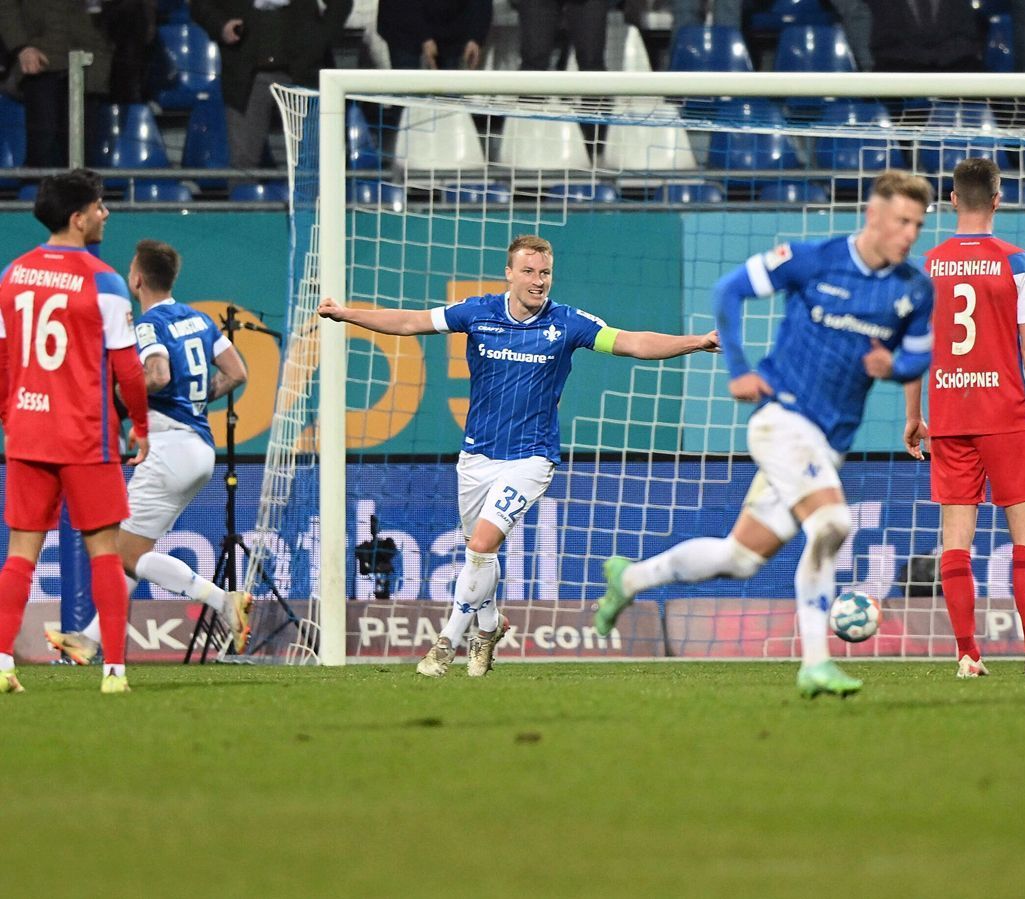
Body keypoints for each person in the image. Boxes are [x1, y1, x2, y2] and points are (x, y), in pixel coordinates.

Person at [593, 170, 936, 698]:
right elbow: (728, 291)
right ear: (873, 213)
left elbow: (921, 356)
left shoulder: (913, 290)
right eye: (902, 221)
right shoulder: (812, 260)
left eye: (918, 223)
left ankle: (631, 579)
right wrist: (737, 368)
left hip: (827, 443)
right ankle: (816, 663)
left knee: (741, 558)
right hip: (781, 422)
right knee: (832, 522)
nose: (910, 233)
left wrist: (892, 366)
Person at [317, 235, 719, 678]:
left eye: (544, 273)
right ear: (509, 273)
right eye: (528, 272)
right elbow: (411, 321)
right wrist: (347, 314)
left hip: (531, 458)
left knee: (481, 543)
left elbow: (633, 343)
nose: (538, 281)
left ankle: (446, 642)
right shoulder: (477, 312)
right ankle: (488, 627)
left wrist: (696, 342)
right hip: (476, 457)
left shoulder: (568, 323)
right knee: (479, 556)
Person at [902, 157, 1025, 679]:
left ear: (952, 201)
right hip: (1004, 413)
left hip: (949, 415)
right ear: (998, 200)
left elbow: (913, 348)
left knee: (956, 535)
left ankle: (966, 655)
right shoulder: (1017, 262)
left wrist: (916, 416)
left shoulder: (924, 266)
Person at [43, 239, 253, 666]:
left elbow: (156, 374)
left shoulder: (148, 325)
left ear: (136, 279)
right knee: (131, 552)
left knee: (123, 552)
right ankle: (87, 640)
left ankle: (223, 601)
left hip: (170, 449)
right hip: (198, 448)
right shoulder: (198, 319)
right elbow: (238, 373)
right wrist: (195, 400)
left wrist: (119, 398)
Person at [0, 169, 148, 695]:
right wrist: (142, 426)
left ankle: (1, 666)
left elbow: (2, 360)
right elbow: (128, 370)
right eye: (100, 205)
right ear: (77, 216)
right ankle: (113, 674)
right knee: (104, 551)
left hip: (28, 432)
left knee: (20, 551)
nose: (106, 213)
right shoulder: (104, 281)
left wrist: (9, 417)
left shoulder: (12, 274)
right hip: (87, 437)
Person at [191, 0, 353, 172]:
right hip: (246, 73)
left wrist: (320, 38)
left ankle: (315, 199)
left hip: (304, 71)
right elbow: (200, 5)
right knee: (243, 164)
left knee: (316, 160)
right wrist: (221, 25)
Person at [0, 0, 112, 168]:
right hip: (41, 60)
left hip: (90, 60)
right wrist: (22, 48)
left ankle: (79, 192)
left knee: (83, 149)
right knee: (43, 147)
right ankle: (38, 190)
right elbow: (6, 6)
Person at [377, 0, 491, 70]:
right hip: (403, 28)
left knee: (449, 99)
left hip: (452, 27)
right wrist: (424, 37)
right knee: (407, 92)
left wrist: (475, 36)